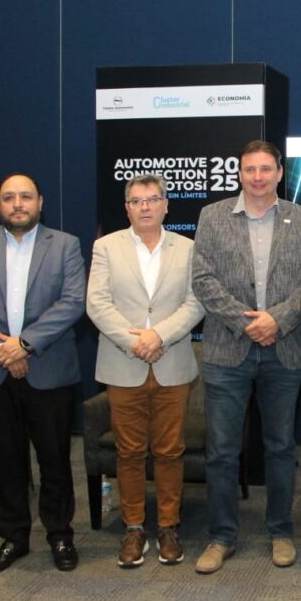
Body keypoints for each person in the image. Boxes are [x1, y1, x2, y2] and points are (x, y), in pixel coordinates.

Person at [191, 140, 301, 573]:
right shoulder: (212, 216)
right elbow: (202, 279)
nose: (258, 177)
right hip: (228, 350)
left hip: (285, 349)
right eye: (250, 169)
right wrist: (245, 322)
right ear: (240, 173)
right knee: (222, 451)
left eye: (266, 169)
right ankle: (221, 537)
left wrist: (277, 320)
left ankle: (280, 531)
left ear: (280, 172)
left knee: (281, 447)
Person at [0, 173, 86, 575]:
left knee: (55, 459)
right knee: (5, 459)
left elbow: (72, 302)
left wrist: (23, 345)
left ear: (40, 202)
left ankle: (59, 534)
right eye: (9, 197)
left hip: (49, 370)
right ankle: (13, 537)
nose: (18, 204)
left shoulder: (65, 245)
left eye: (25, 196)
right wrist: (1, 351)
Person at [87, 173, 205, 568]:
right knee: (129, 452)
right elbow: (97, 303)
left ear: (166, 205)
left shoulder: (188, 248)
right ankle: (134, 528)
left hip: (172, 363)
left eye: (153, 199)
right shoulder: (106, 247)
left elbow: (196, 302)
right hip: (124, 363)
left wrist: (159, 336)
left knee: (170, 451)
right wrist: (134, 341)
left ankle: (169, 526)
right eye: (137, 201)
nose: (145, 207)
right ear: (127, 209)